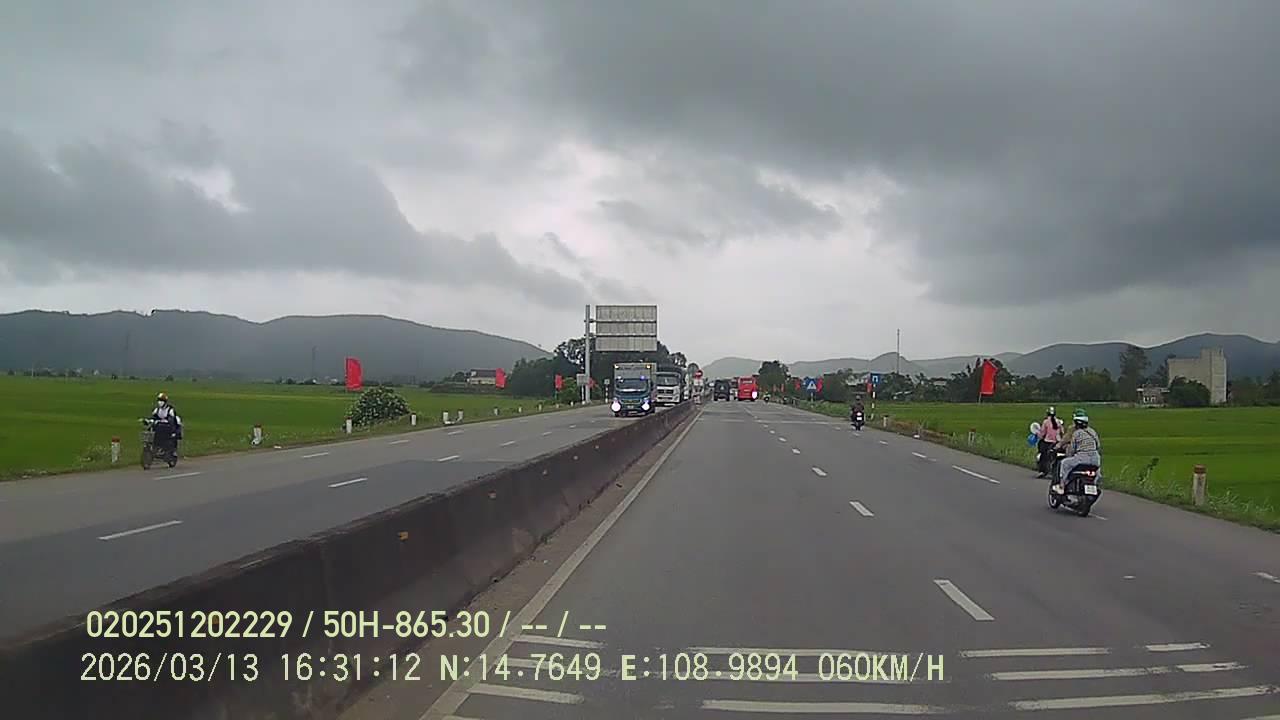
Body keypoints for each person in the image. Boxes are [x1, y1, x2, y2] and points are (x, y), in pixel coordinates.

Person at [1054, 408, 1101, 493]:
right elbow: (1098, 445)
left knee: (1064, 463)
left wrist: (1068, 455)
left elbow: (1072, 449)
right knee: (1097, 472)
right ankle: (1095, 484)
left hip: (1082, 458)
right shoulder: (1092, 432)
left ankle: (1061, 486)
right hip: (1095, 459)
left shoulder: (1076, 433)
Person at [1035, 406, 1063, 478]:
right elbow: (1062, 432)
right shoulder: (1058, 421)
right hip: (1057, 442)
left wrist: (1038, 434)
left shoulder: (1046, 422)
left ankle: (1042, 470)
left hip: (1048, 442)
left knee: (1043, 455)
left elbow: (1042, 433)